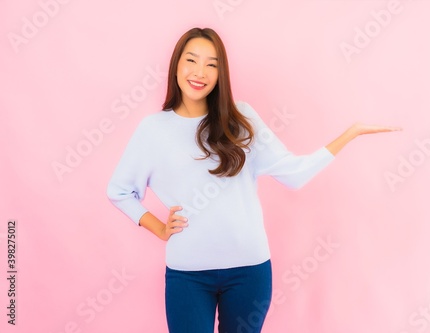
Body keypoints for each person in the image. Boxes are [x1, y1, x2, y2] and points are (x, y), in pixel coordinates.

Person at [106, 27, 401, 333]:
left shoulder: (241, 119)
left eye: (212, 64)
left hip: (249, 271)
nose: (200, 72)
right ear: (176, 65)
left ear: (221, 74)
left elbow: (294, 175)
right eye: (191, 60)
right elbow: (119, 191)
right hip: (188, 274)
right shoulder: (153, 129)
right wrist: (159, 228)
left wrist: (350, 133)